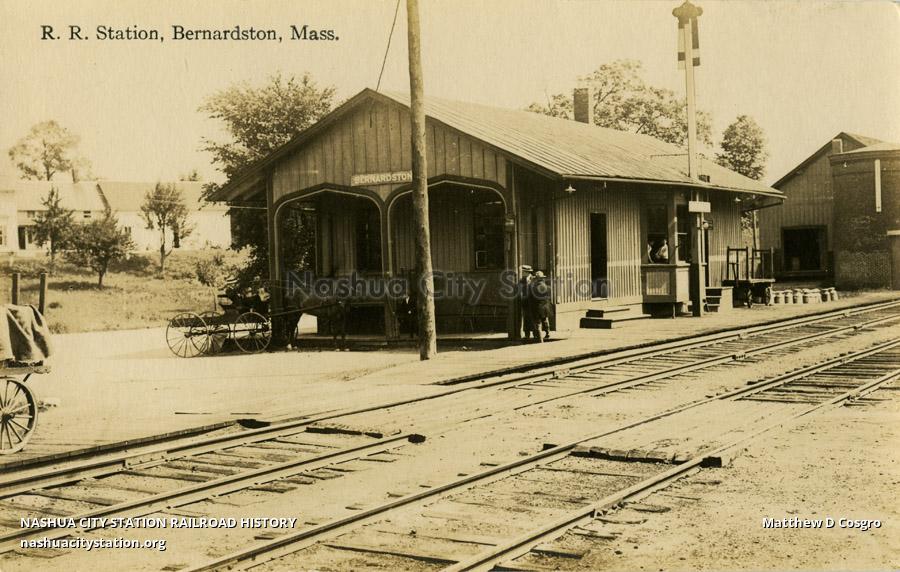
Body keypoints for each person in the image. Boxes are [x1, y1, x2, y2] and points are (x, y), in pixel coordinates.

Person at [528, 270, 553, 341]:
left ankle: (539, 338)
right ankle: (548, 333)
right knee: (545, 320)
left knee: (537, 322)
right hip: (545, 306)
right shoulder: (547, 287)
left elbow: (530, 298)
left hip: (537, 307)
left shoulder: (533, 287)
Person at [518, 265, 536, 340]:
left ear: (526, 272)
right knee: (526, 318)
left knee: (534, 318)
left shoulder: (534, 279)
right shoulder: (522, 280)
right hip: (525, 302)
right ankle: (527, 334)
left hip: (532, 302)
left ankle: (535, 334)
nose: (522, 273)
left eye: (523, 272)